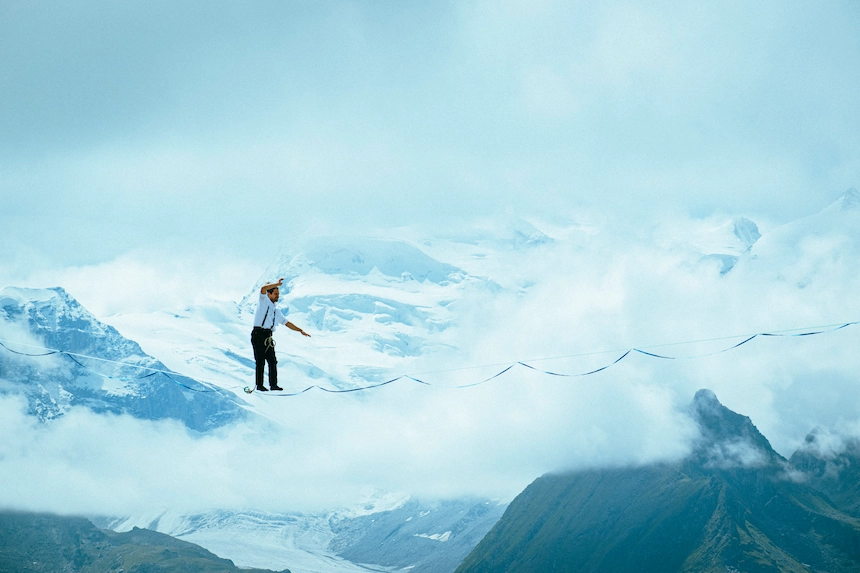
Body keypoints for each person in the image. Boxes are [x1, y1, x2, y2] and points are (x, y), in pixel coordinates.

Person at [251, 278, 311, 391]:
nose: (277, 296)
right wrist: (277, 284)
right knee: (260, 361)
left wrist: (300, 330)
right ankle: (259, 385)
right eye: (275, 294)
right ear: (269, 294)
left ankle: (273, 385)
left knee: (272, 361)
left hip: (268, 336)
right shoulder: (263, 301)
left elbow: (286, 323)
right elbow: (263, 288)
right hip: (258, 334)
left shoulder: (275, 310)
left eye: (278, 294)